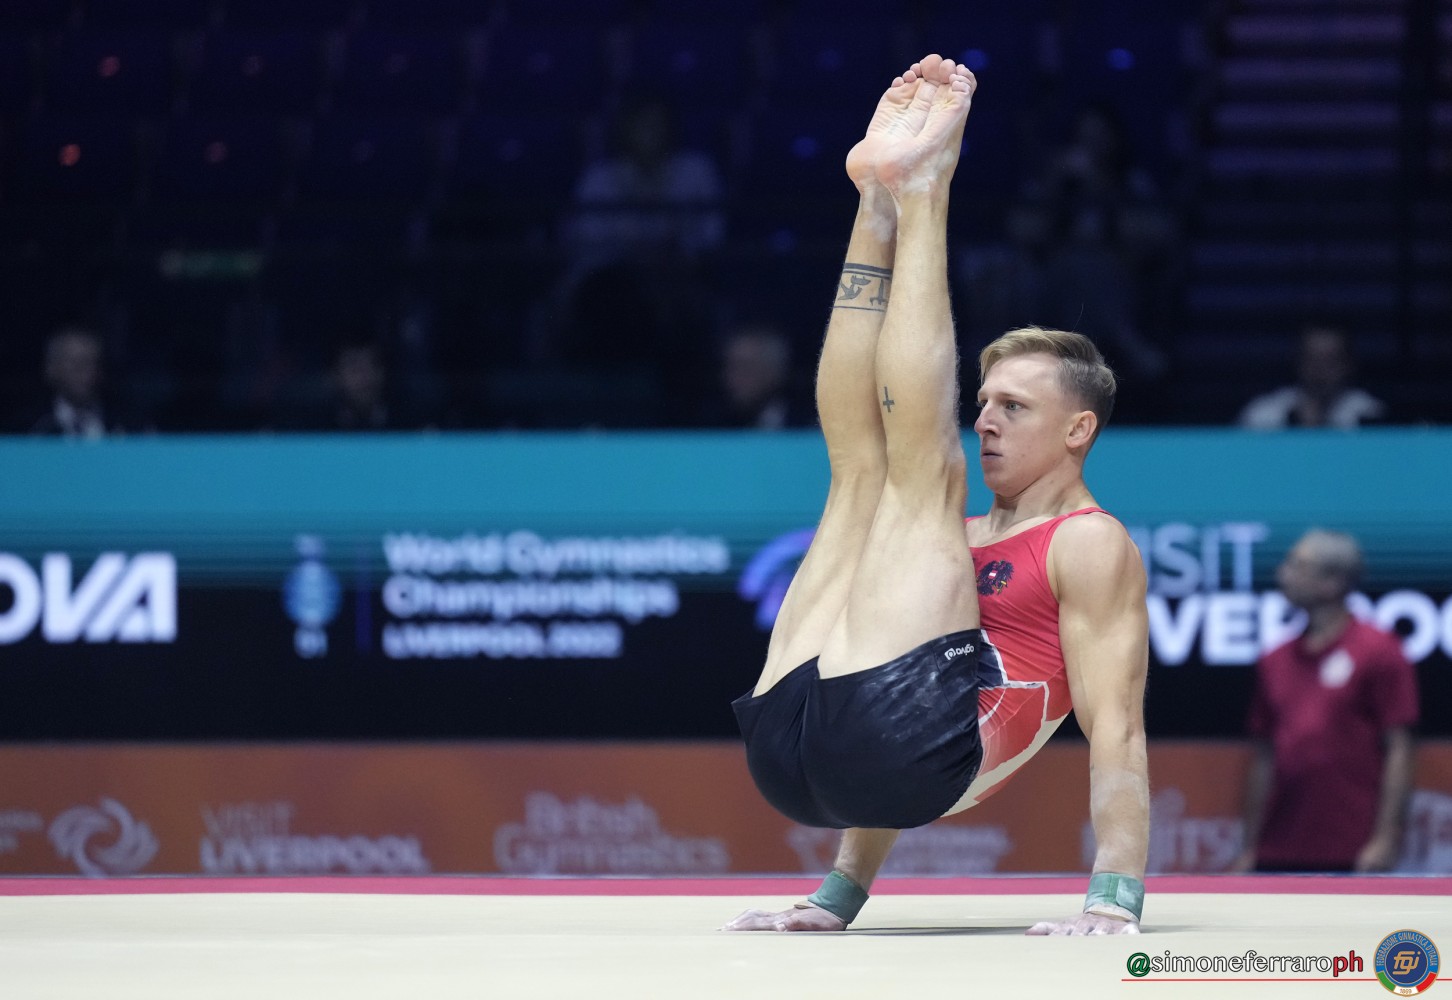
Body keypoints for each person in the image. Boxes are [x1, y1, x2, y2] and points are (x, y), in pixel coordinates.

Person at [722, 55, 1150, 936]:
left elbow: (1118, 729)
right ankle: (876, 205)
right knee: (860, 474)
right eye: (983, 401)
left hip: (914, 758)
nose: (986, 419)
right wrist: (837, 899)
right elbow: (888, 703)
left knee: (918, 471)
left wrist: (1114, 900)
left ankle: (921, 194)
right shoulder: (950, 539)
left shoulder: (1087, 541)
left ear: (1079, 430)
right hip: (793, 755)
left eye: (1015, 407)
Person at [1232, 530, 1418, 873]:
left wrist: (1385, 839)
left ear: (1332, 583)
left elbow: (1399, 749)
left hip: (1352, 848)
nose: (1283, 573)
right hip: (1277, 849)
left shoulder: (1379, 651)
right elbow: (1264, 757)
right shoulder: (1274, 659)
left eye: (1298, 565)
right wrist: (1249, 845)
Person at [1238, 325, 1388, 429]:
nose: (1319, 370)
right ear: (1298, 361)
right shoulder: (1264, 415)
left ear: (1348, 364)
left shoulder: (1370, 414)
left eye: (1330, 361)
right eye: (1312, 359)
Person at [698, 325, 811, 430]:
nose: (730, 378)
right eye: (729, 367)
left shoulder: (808, 426)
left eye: (744, 367)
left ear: (774, 371)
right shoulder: (710, 424)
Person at [24, 327, 127, 438]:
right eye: (77, 364)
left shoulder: (125, 422)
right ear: (52, 369)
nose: (87, 372)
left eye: (93, 363)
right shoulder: (30, 426)